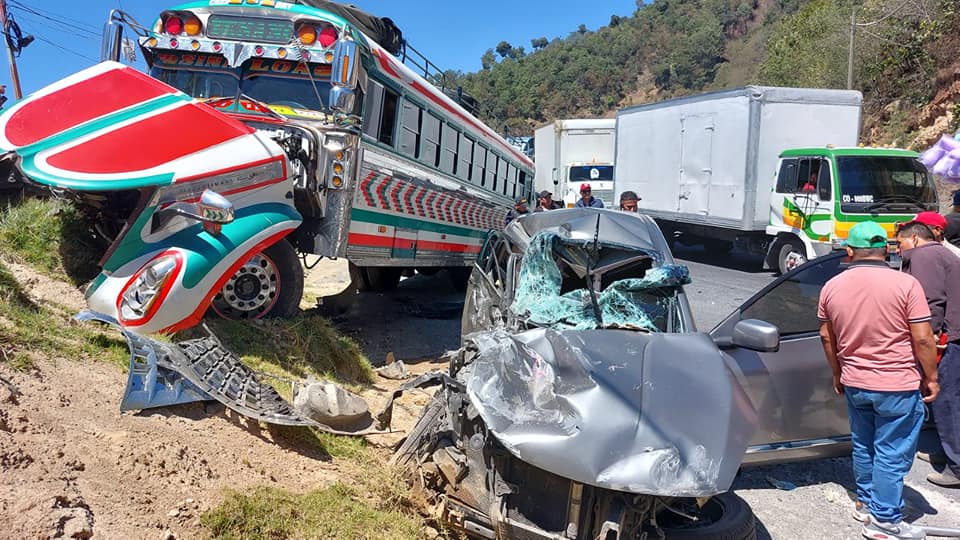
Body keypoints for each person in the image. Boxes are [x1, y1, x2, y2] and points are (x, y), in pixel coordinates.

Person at [818, 221, 940, 539]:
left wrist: (837, 371)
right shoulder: (906, 285)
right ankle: (885, 521)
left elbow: (826, 337)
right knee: (891, 451)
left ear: (849, 251)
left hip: (856, 382)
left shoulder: (832, 286)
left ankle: (866, 504)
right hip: (897, 384)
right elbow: (924, 339)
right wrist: (932, 377)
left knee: (863, 444)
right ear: (886, 250)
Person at [897, 221, 960, 488]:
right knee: (947, 401)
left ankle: (957, 466)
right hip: (954, 334)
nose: (898, 251)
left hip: (949, 338)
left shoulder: (924, 255)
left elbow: (930, 302)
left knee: (947, 402)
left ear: (913, 238)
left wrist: (929, 336)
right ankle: (946, 452)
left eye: (899, 244)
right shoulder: (941, 253)